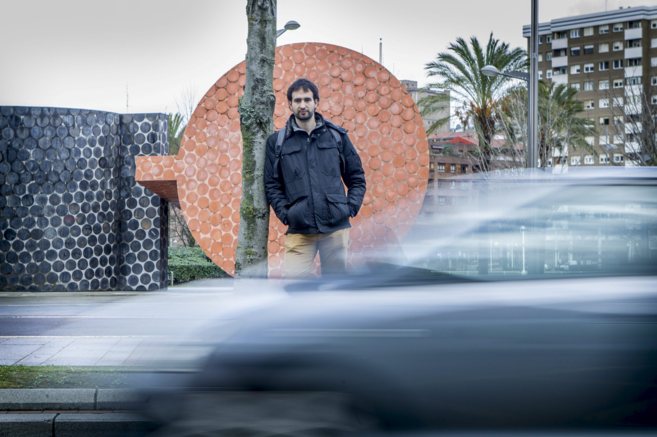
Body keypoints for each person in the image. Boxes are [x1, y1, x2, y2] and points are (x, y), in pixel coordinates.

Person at [264, 78, 366, 277]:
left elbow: (356, 177)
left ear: (316, 102)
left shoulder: (337, 136)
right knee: (294, 285)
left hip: (336, 229)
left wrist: (349, 208)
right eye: (297, 100)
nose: (303, 105)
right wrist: (287, 214)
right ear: (290, 104)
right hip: (299, 230)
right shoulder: (277, 142)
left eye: (307, 100)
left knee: (335, 287)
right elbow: (272, 185)